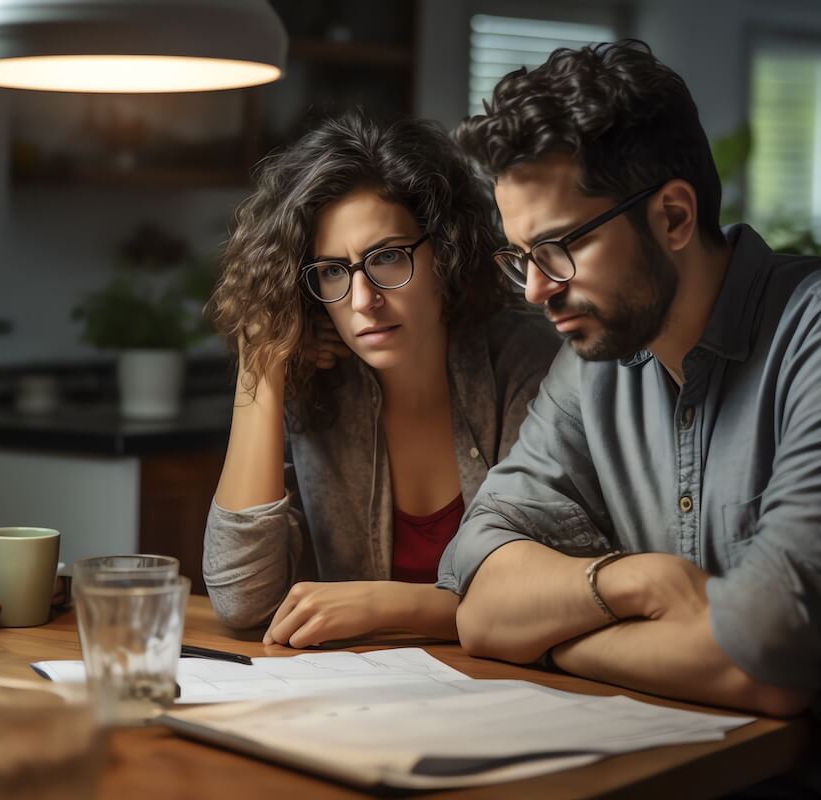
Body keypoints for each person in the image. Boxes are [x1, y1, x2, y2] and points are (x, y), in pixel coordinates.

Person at [437, 40, 821, 798]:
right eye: (521, 257)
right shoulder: (594, 362)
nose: (536, 291)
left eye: (559, 247)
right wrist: (632, 583)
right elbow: (480, 599)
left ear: (674, 215)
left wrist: (552, 646)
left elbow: (768, 664)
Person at [204, 111, 559, 649]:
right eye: (332, 270)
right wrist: (263, 363)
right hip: (364, 702)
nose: (364, 299)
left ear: (444, 250)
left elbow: (546, 598)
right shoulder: (318, 382)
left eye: (387, 258)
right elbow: (241, 597)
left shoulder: (525, 365)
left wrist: (384, 605)